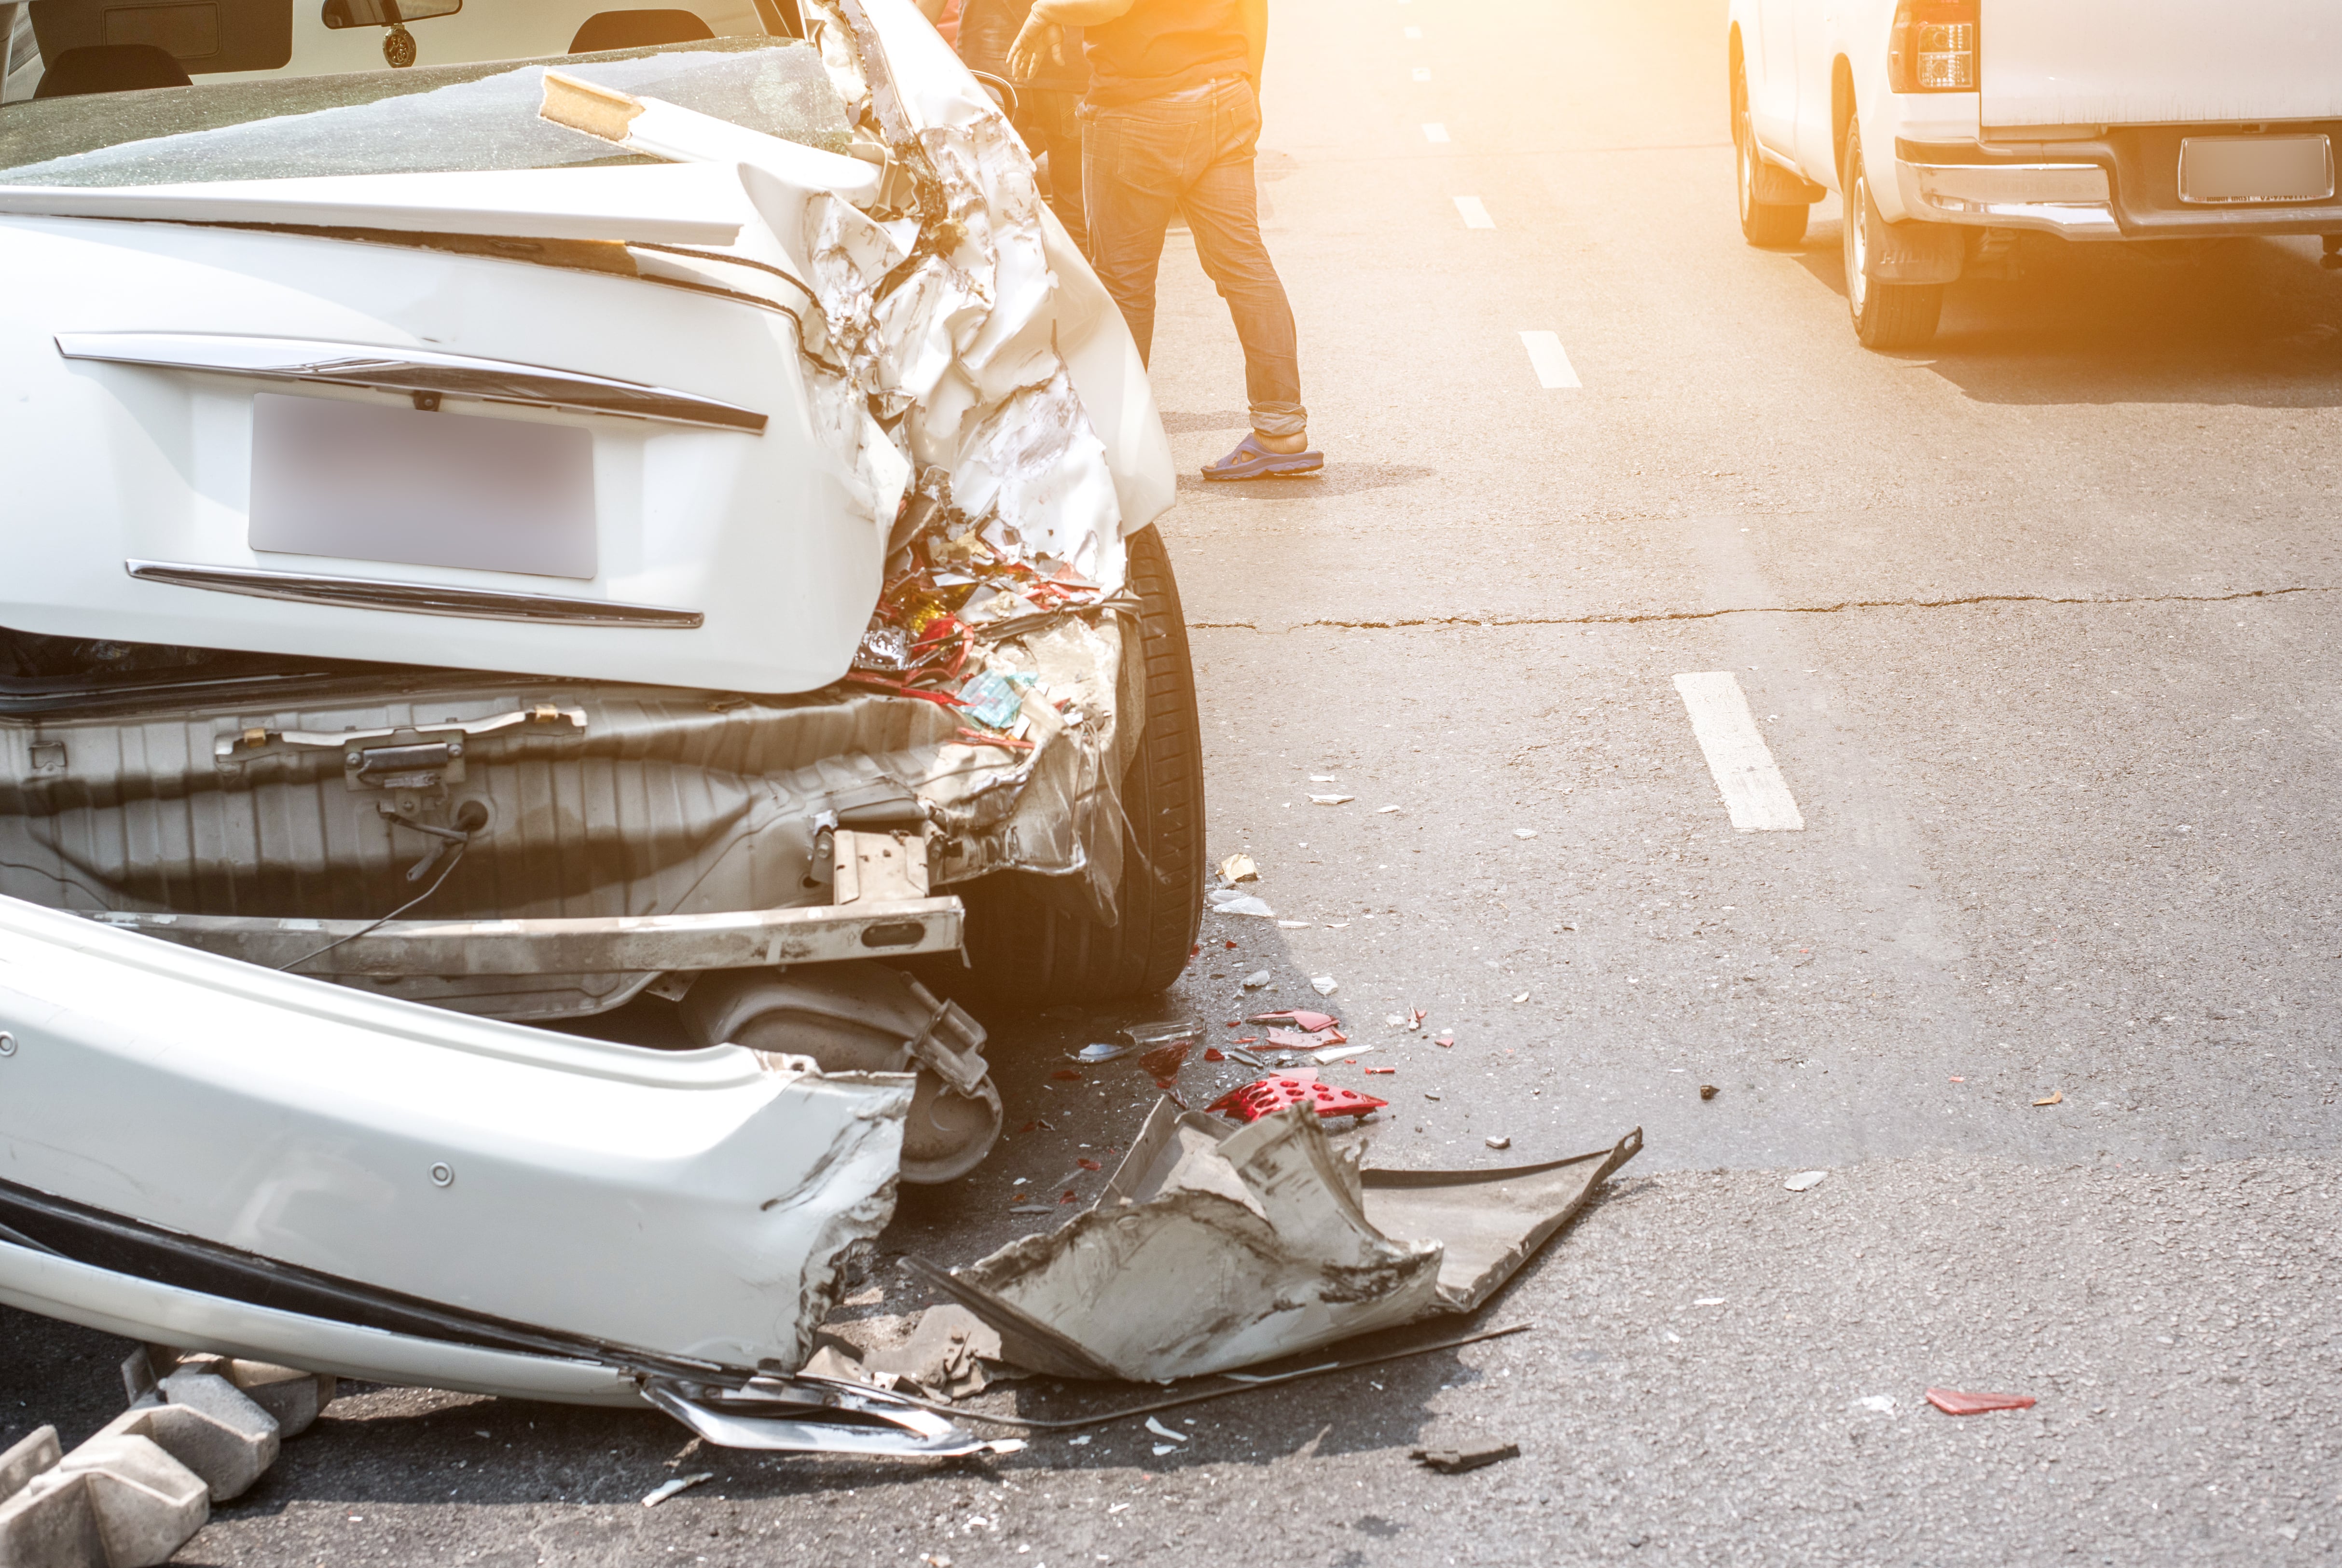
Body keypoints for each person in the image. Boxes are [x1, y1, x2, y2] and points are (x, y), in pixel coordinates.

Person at [1006, 0, 1321, 479]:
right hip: (1224, 94)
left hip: (1137, 111)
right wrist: (1244, 88)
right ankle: (1281, 427)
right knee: (1244, 267)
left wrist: (1045, 12)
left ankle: (1115, 441)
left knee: (1124, 283)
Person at [957, 0, 1090, 253]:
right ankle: (1080, 290)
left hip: (994, 68)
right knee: (1077, 210)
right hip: (1067, 63)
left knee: (984, 201)